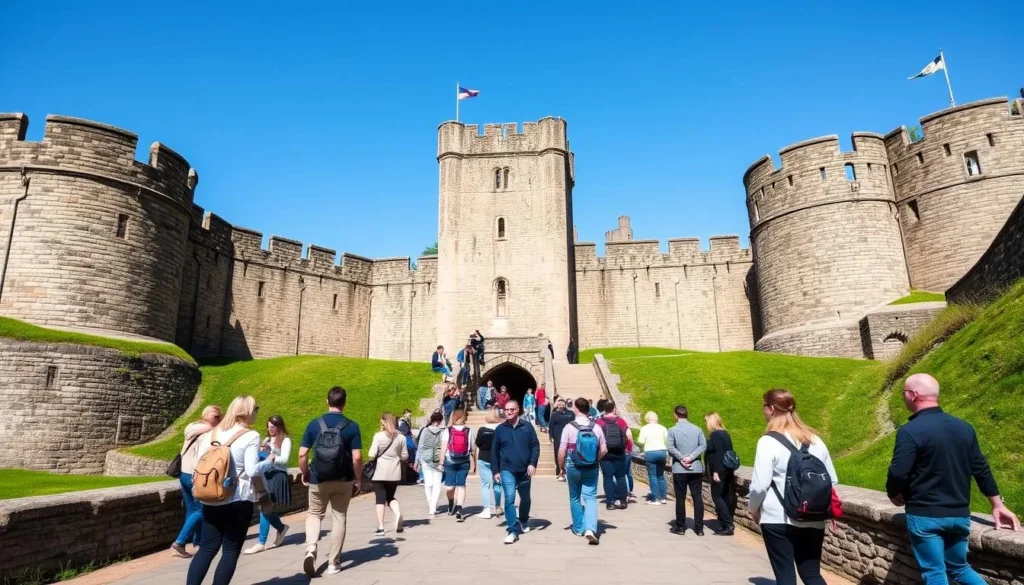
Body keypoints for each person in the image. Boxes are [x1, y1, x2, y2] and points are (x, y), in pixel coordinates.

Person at [886, 374, 1020, 584]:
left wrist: (893, 492)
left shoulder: (910, 431)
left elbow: (898, 472)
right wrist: (997, 504)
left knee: (935, 574)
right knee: (960, 569)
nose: (904, 397)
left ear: (914, 395)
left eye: (904, 393)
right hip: (959, 515)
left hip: (925, 515)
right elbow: (981, 468)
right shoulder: (963, 427)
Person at [748, 389, 837, 585]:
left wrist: (753, 509)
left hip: (777, 516)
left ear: (771, 409)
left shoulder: (768, 441)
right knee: (812, 574)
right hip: (813, 514)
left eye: (764, 407)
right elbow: (831, 479)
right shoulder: (815, 440)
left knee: (786, 576)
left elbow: (759, 486)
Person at [186, 396, 270, 585]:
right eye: (255, 408)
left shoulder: (212, 434)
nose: (257, 411)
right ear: (247, 411)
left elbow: (199, 465)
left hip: (211, 498)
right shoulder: (251, 436)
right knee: (230, 550)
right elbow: (251, 470)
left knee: (207, 548)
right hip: (238, 499)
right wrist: (268, 462)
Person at [298, 386, 363, 577]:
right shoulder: (351, 426)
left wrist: (304, 472)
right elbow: (357, 458)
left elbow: (302, 454)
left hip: (318, 478)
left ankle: (311, 548)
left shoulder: (314, 424)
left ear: (327, 401)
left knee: (315, 514)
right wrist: (358, 479)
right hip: (343, 479)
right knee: (339, 517)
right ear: (344, 403)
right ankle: (333, 563)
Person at [171, 405, 222, 558]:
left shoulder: (194, 427)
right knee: (201, 510)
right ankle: (179, 543)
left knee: (192, 510)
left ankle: (197, 540)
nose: (218, 420)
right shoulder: (205, 431)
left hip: (184, 473)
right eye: (217, 417)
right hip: (194, 474)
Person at [558, 397, 608, 544]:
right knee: (590, 497)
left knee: (574, 497)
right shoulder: (596, 427)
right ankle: (590, 529)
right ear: (589, 409)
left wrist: (561, 467)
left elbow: (562, 450)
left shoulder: (569, 427)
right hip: (591, 466)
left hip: (573, 465)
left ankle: (579, 528)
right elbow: (604, 449)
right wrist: (595, 459)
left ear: (576, 409)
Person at [491, 399, 541, 545]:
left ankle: (523, 519)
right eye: (506, 410)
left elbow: (535, 446)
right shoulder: (500, 429)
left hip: (525, 469)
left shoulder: (527, 427)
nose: (509, 412)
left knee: (525, 498)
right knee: (509, 498)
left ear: (518, 410)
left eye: (512, 409)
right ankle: (512, 530)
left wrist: (532, 463)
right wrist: (495, 470)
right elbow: (494, 451)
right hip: (507, 469)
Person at [244, 415, 292, 554]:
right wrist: (261, 450)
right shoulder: (266, 439)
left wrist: (272, 456)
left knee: (265, 507)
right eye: (269, 426)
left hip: (277, 475)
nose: (270, 429)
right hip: (265, 476)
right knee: (266, 507)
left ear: (280, 426)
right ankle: (281, 528)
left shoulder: (285, 440)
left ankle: (261, 542)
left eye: (273, 426)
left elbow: (284, 460)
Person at [666, 405, 706, 535]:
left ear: (676, 415)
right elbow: (703, 445)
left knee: (680, 498)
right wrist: (692, 457)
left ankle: (680, 527)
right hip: (695, 468)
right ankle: (699, 528)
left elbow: (670, 448)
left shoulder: (672, 430)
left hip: (680, 468)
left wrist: (683, 458)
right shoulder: (697, 429)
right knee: (697, 497)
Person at [369, 412, 409, 535]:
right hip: (394, 473)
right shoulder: (401, 437)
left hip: (379, 472)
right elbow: (405, 455)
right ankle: (397, 514)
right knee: (390, 497)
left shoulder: (378, 436)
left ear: (383, 422)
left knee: (380, 499)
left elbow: (371, 454)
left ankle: (381, 527)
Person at [705, 412, 736, 535]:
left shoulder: (716, 435)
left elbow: (719, 453)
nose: (706, 424)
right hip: (727, 469)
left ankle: (728, 525)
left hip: (720, 469)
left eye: (706, 421)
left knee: (717, 496)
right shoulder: (725, 433)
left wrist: (716, 471)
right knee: (724, 495)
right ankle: (725, 521)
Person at [595, 400, 630, 510]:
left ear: (604, 410)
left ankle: (610, 502)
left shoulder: (599, 422)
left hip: (605, 453)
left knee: (608, 477)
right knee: (620, 477)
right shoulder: (620, 421)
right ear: (614, 409)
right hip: (619, 453)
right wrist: (627, 448)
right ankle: (623, 501)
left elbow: (596, 438)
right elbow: (628, 435)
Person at [441, 409, 475, 521]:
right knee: (456, 486)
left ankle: (458, 507)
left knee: (456, 485)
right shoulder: (468, 430)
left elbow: (443, 447)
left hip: (454, 461)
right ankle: (454, 504)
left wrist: (441, 462)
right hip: (460, 460)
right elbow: (473, 448)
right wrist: (474, 461)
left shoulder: (449, 430)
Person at [415, 412, 445, 515]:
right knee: (437, 484)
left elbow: (420, 446)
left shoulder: (425, 430)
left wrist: (416, 461)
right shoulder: (443, 431)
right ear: (440, 421)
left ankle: (431, 505)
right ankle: (433, 506)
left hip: (425, 458)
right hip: (438, 458)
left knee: (428, 484)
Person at [475, 408, 503, 519]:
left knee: (485, 485)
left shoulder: (482, 429)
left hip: (484, 458)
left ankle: (486, 510)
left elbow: (478, 443)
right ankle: (498, 506)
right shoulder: (502, 429)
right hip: (498, 459)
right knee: (498, 484)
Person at [637, 411, 669, 505]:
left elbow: (641, 441)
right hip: (662, 452)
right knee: (660, 475)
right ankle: (663, 497)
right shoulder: (662, 428)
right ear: (656, 418)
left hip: (650, 452)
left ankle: (655, 498)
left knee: (652, 476)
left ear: (647, 419)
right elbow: (667, 440)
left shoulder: (644, 428)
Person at [548, 398, 574, 480]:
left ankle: (568, 471)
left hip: (569, 436)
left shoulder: (570, 413)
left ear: (565, 405)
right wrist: (551, 436)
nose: (561, 406)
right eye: (559, 405)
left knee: (568, 453)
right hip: (558, 436)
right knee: (558, 453)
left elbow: (574, 424)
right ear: (557, 406)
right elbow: (551, 426)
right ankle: (560, 471)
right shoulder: (554, 414)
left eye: (562, 404)